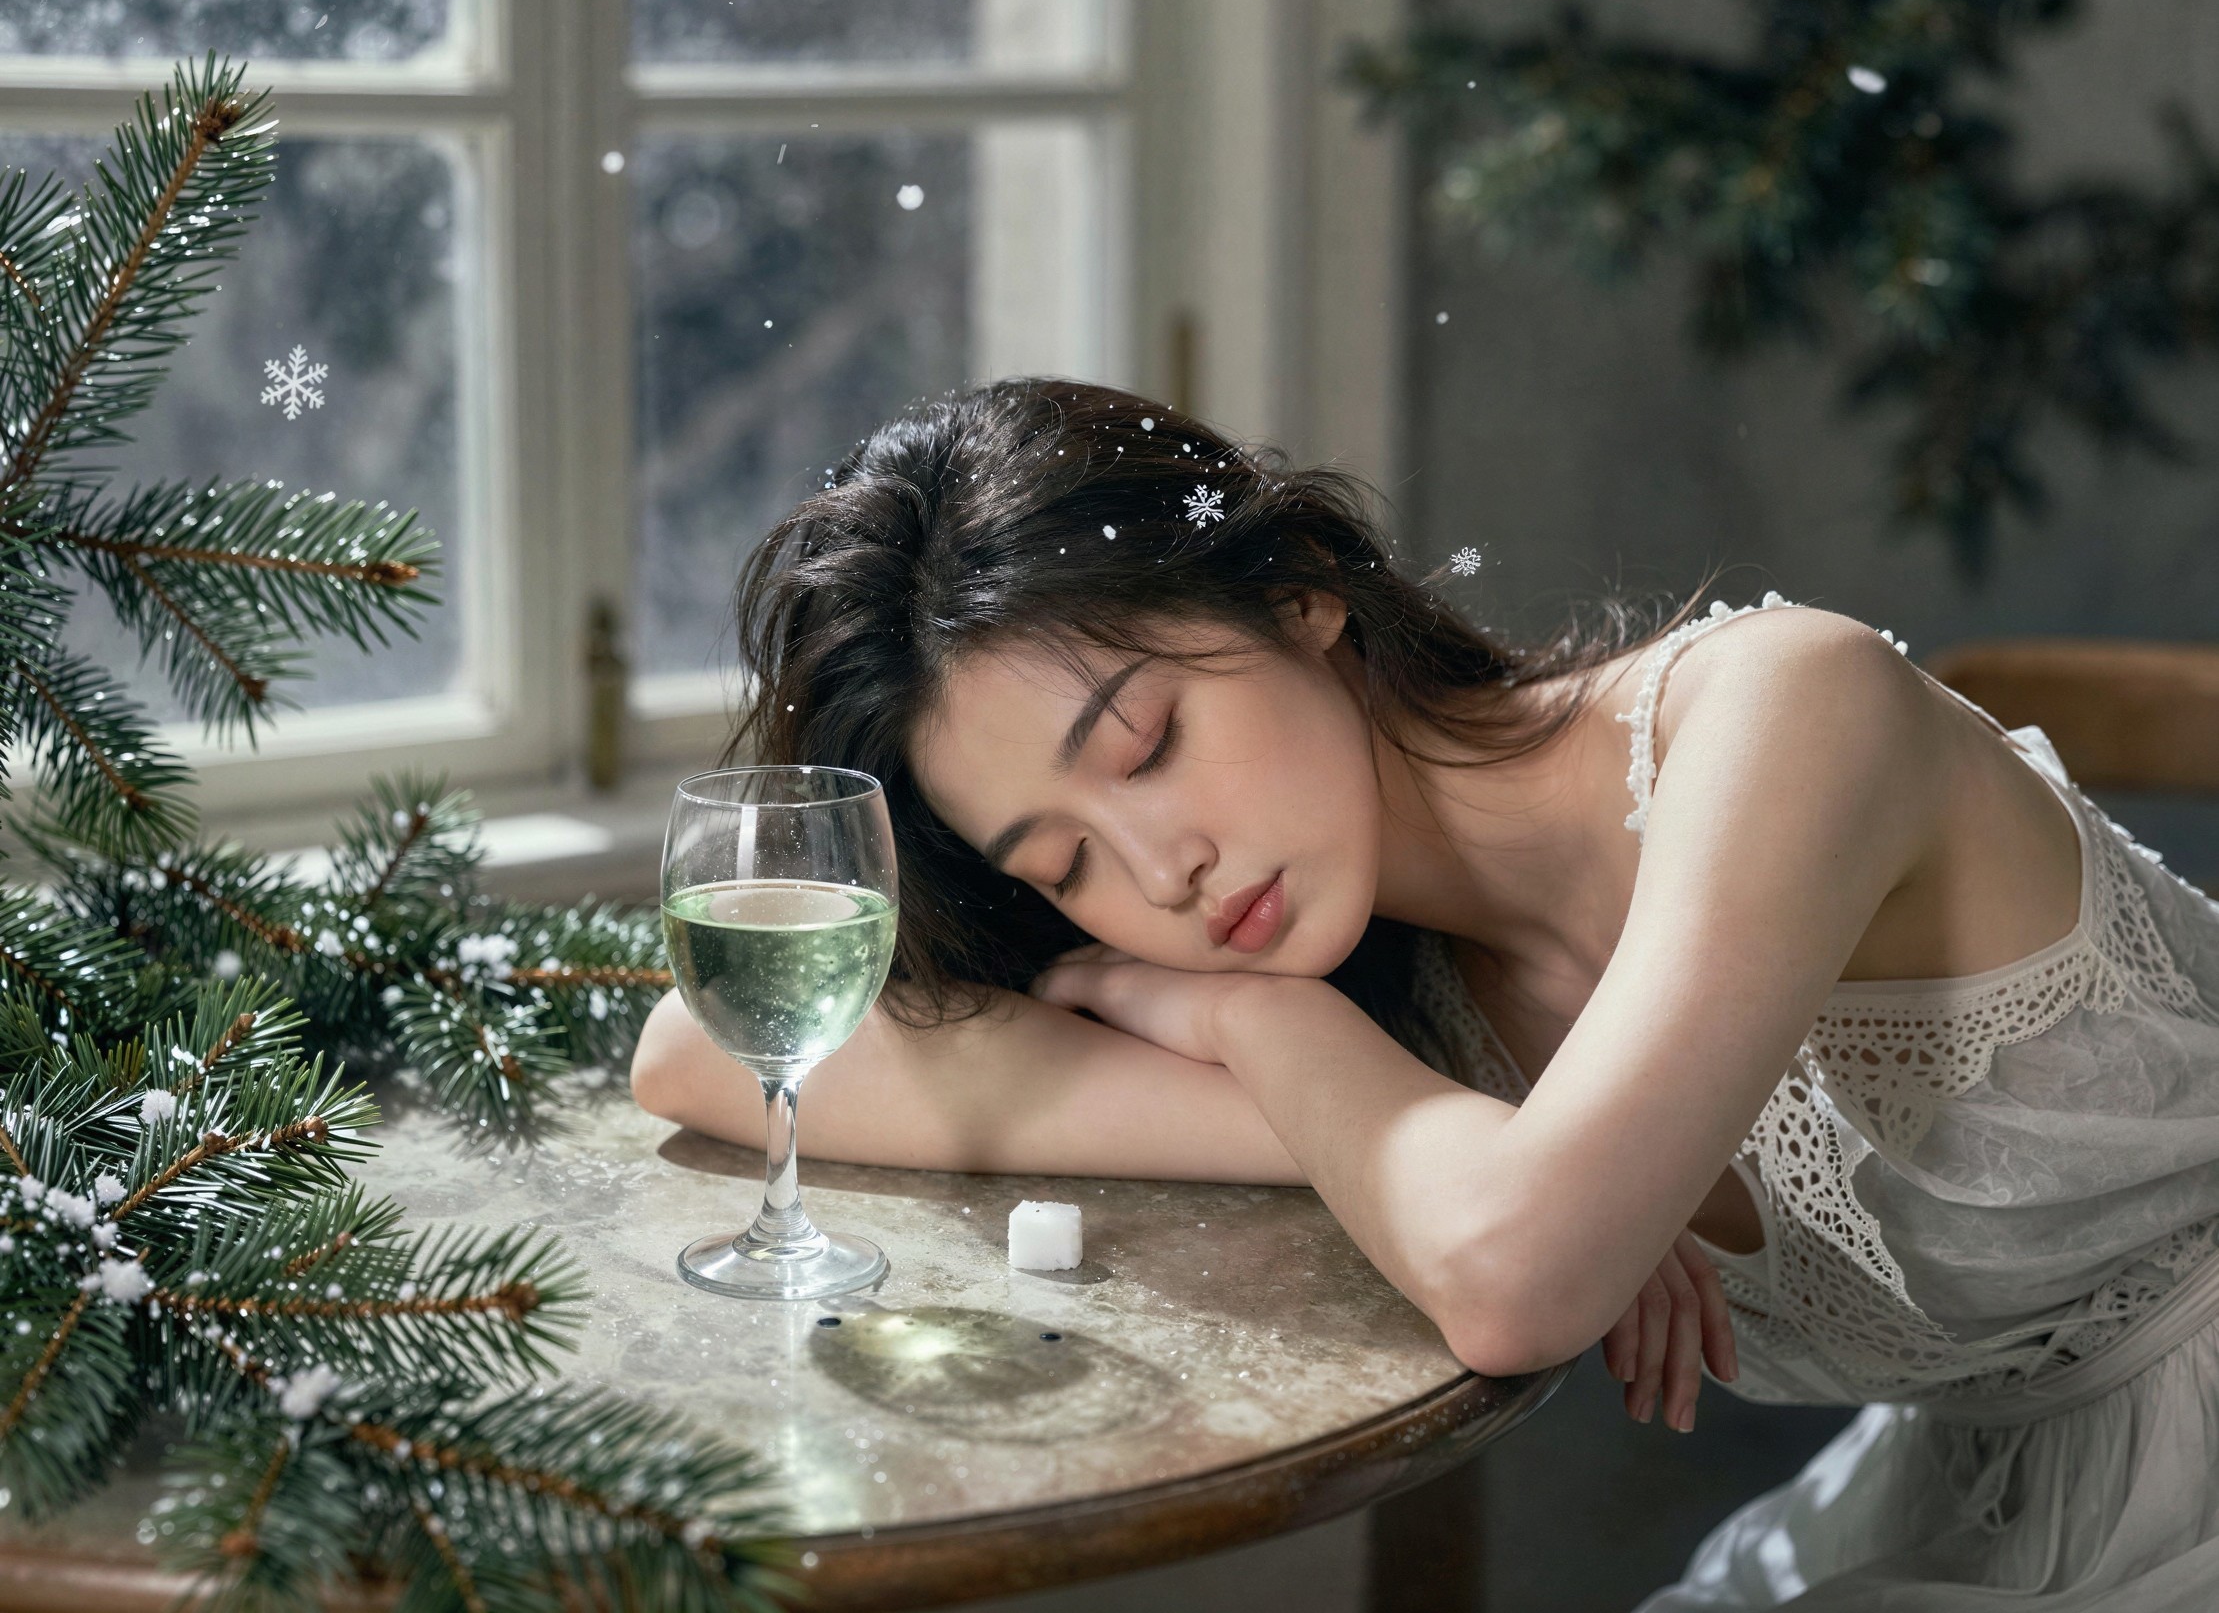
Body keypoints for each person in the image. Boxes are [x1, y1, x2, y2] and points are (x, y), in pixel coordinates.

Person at [629, 378, 2219, 1610]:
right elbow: (701, 1046)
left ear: (1301, 595)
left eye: (1144, 745)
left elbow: (1518, 1272)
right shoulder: (1402, 1022)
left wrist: (1265, 1031)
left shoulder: (1787, 712)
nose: (1160, 872)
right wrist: (1401, 1118)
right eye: (1064, 862)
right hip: (2010, 1506)